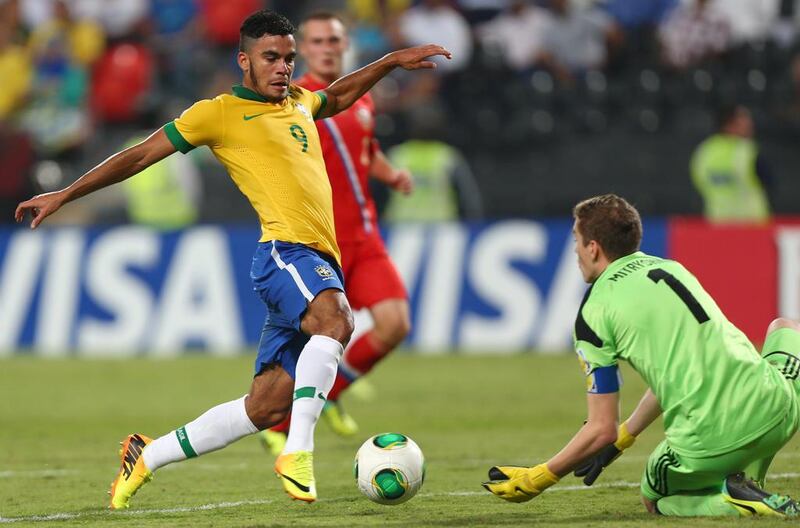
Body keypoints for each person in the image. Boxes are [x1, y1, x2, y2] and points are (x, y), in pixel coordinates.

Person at [15, 9, 450, 507]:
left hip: (311, 257)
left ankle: (147, 455)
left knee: (263, 407)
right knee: (336, 321)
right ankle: (298, 452)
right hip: (285, 252)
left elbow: (341, 95)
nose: (283, 68)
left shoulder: (300, 103)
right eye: (270, 58)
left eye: (288, 58)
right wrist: (65, 194)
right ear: (244, 60)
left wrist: (391, 61)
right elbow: (137, 156)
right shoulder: (216, 113)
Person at [483, 194, 800, 517]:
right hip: (779, 405)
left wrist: (538, 477)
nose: (575, 251)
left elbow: (601, 427)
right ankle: (747, 479)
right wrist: (626, 436)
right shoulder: (670, 269)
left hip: (716, 437)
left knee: (656, 497)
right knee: (784, 327)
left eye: (577, 240)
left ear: (593, 248)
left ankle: (739, 503)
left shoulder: (594, 313)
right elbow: (673, 373)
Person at [259, 11, 414, 452]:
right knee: (307, 350)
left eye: (334, 40)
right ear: (303, 49)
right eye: (318, 41)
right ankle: (278, 426)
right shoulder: (292, 102)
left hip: (363, 238)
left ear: (344, 46)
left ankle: (330, 397)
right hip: (317, 244)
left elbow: (366, 151)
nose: (327, 47)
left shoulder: (359, 98)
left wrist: (390, 175)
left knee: (394, 324)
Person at [691, 104, 771, 224]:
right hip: (752, 226)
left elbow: (699, 181)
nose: (750, 124)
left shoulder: (704, 151)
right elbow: (769, 182)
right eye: (743, 119)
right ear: (728, 124)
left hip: (718, 225)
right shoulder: (747, 151)